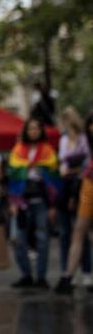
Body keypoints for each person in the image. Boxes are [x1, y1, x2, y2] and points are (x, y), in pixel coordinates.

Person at [8, 117, 60, 289]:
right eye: (30, 128)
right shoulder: (17, 150)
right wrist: (13, 202)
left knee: (43, 239)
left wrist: (53, 205)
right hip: (21, 201)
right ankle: (26, 275)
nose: (33, 131)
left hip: (42, 200)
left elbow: (53, 178)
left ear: (41, 131)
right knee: (18, 240)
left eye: (37, 128)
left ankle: (41, 277)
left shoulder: (48, 151)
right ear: (25, 131)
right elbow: (13, 176)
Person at [56, 112, 93, 294]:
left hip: (85, 183)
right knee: (78, 231)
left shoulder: (84, 138)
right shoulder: (70, 140)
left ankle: (72, 275)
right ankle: (68, 275)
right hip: (85, 186)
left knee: (79, 232)